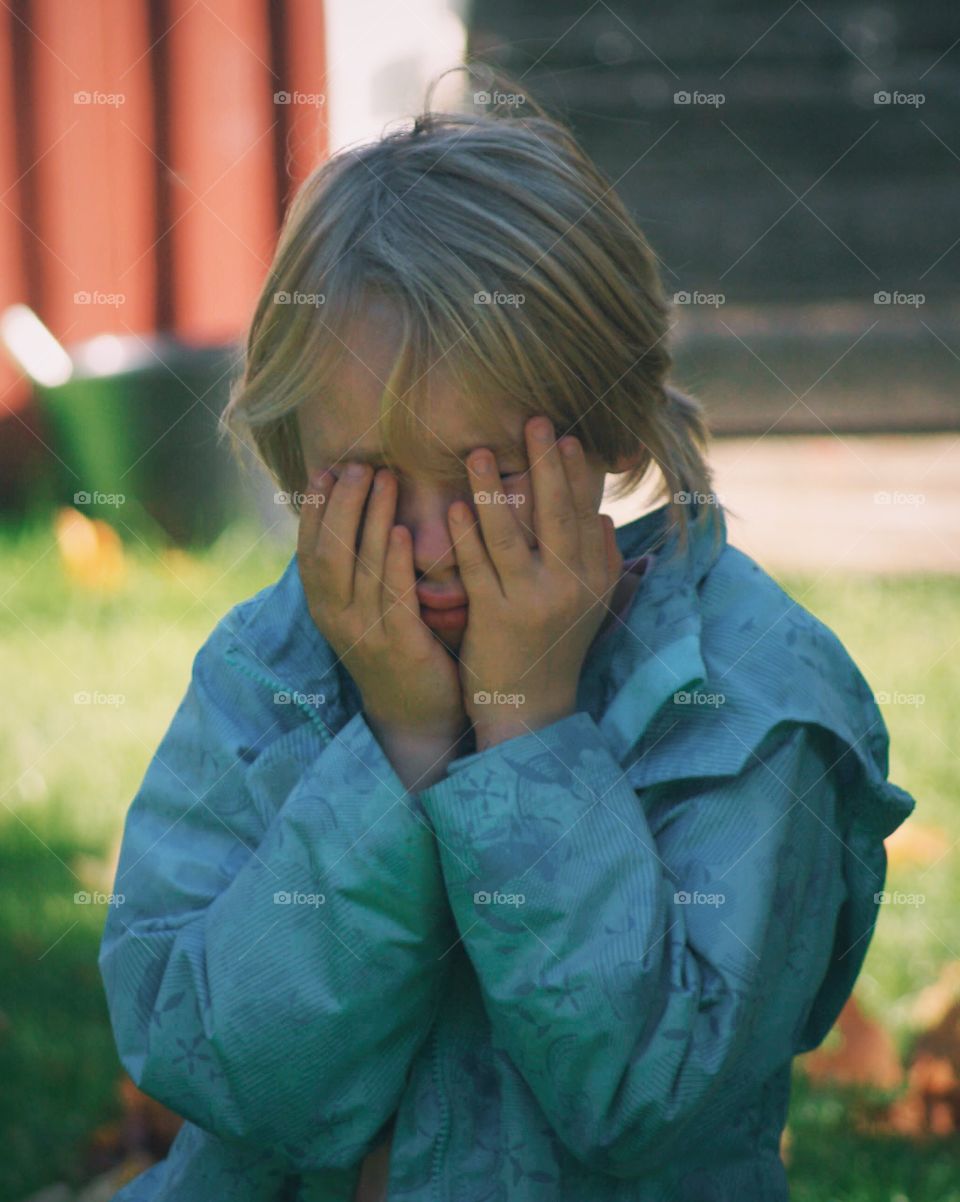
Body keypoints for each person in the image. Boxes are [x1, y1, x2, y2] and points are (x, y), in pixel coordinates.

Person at [98, 64, 916, 1202]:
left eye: (488, 476)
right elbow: (220, 1071)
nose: (434, 544)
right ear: (296, 457)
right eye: (372, 479)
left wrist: (527, 727)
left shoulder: (751, 705)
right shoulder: (267, 668)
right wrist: (399, 750)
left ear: (612, 427)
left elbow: (646, 1100)